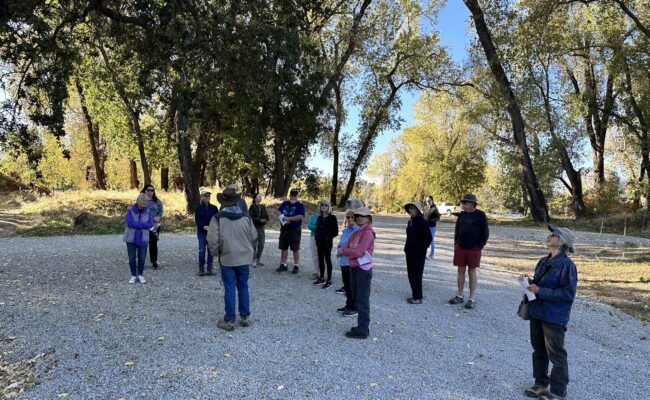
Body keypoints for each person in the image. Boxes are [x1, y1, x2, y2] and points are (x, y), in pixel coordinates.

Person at [522, 225, 577, 400]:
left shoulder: (567, 265)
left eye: (553, 235)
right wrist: (527, 282)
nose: (549, 236)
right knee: (538, 350)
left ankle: (558, 392)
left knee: (556, 355)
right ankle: (540, 384)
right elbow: (538, 285)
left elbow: (568, 294)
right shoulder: (543, 261)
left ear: (561, 242)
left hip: (554, 317)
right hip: (537, 312)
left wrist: (540, 291)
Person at [207, 186, 257, 331]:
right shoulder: (246, 217)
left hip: (227, 258)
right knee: (243, 286)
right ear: (236, 201)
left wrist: (218, 253)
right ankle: (245, 317)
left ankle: (229, 320)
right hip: (244, 258)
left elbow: (212, 240)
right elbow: (254, 236)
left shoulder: (217, 219)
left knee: (229, 288)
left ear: (223, 202)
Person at [448, 193, 489, 309]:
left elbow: (485, 233)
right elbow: (457, 229)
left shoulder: (480, 215)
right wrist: (456, 243)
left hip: (474, 249)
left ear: (472, 204)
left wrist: (479, 246)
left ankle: (471, 298)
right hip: (460, 247)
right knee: (460, 270)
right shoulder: (462, 215)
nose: (463, 204)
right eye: (462, 202)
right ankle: (460, 295)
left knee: (472, 271)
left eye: (465, 202)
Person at [340, 207, 375, 339]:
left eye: (363, 216)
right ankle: (361, 326)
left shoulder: (367, 233)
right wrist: (348, 251)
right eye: (357, 215)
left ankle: (363, 329)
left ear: (368, 219)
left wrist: (345, 252)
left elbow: (358, 252)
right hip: (354, 267)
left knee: (362, 299)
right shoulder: (356, 233)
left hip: (363, 269)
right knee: (356, 297)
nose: (359, 217)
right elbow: (348, 246)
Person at [403, 202, 433, 304]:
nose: (410, 210)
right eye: (409, 209)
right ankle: (415, 294)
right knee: (411, 274)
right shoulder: (411, 221)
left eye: (412, 208)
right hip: (410, 251)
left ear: (417, 210)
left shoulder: (422, 222)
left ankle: (418, 297)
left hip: (418, 253)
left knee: (416, 274)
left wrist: (422, 248)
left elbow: (429, 237)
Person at [123, 193, 154, 284]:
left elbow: (150, 224)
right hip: (130, 238)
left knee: (142, 258)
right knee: (132, 258)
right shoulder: (130, 210)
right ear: (138, 201)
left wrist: (138, 225)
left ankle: (140, 275)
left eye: (146, 201)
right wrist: (143, 225)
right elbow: (129, 223)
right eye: (143, 201)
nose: (145, 202)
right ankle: (133, 275)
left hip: (143, 238)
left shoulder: (148, 212)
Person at [276, 188, 305, 274]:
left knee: (295, 248)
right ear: (290, 195)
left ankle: (296, 265)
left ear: (297, 196)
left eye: (294, 195)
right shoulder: (285, 203)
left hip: (294, 229)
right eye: (291, 195)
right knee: (284, 247)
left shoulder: (300, 205)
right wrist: (283, 218)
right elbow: (277, 212)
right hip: (285, 228)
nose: (293, 197)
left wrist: (290, 218)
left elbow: (301, 216)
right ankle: (283, 264)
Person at [335, 209, 359, 317]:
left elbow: (355, 246)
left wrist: (342, 250)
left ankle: (354, 307)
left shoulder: (357, 231)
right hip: (343, 260)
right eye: (348, 217)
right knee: (346, 284)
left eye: (352, 217)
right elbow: (341, 242)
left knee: (351, 285)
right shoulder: (346, 230)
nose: (350, 219)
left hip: (351, 261)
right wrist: (338, 250)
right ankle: (348, 304)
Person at [313, 200, 339, 289]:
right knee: (320, 259)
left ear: (329, 207)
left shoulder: (333, 218)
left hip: (327, 243)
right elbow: (317, 230)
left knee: (327, 259)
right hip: (319, 242)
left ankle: (329, 280)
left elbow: (336, 232)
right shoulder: (319, 217)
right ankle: (321, 277)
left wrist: (328, 236)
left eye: (326, 205)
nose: (323, 206)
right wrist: (317, 238)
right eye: (322, 205)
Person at [194, 190, 218, 276]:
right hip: (201, 232)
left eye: (208, 195)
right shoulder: (198, 208)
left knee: (211, 250)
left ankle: (209, 268)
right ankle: (201, 268)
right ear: (201, 197)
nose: (207, 197)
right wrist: (203, 226)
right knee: (202, 250)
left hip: (211, 232)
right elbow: (197, 220)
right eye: (205, 195)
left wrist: (212, 227)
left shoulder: (214, 208)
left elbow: (216, 219)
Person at [141, 184, 163, 269]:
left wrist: (158, 219)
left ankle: (154, 262)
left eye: (152, 190)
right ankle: (141, 262)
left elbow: (161, 211)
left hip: (155, 226)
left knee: (153, 244)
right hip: (145, 226)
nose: (150, 192)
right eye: (148, 190)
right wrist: (152, 218)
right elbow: (140, 213)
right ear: (145, 191)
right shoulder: (141, 201)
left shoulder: (157, 201)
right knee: (143, 244)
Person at [249, 193, 269, 267]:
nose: (260, 197)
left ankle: (258, 259)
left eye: (261, 196)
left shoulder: (263, 207)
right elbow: (250, 217)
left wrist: (266, 220)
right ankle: (253, 260)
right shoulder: (252, 207)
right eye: (259, 196)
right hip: (254, 228)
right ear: (255, 199)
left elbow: (267, 216)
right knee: (254, 245)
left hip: (262, 229)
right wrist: (259, 220)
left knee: (261, 245)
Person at [423, 196, 441, 261]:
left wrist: (431, 221)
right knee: (424, 240)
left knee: (430, 240)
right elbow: (423, 216)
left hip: (432, 227)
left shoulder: (435, 208)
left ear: (432, 200)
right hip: (425, 227)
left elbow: (438, 218)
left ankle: (431, 254)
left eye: (429, 201)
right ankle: (424, 254)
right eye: (427, 201)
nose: (428, 202)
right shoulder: (425, 208)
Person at [307, 204, 321, 280]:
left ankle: (322, 272)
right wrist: (319, 227)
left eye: (321, 206)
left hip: (323, 238)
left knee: (323, 255)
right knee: (314, 255)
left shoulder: (326, 217)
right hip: (313, 236)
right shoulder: (314, 216)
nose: (320, 207)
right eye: (318, 206)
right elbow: (309, 226)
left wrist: (315, 226)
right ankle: (315, 272)